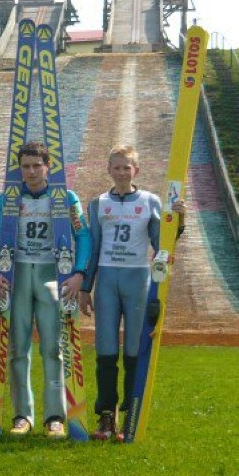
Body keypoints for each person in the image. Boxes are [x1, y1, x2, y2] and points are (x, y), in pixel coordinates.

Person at [78, 145, 185, 441]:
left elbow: (162, 243)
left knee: (135, 351)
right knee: (106, 349)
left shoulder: (150, 201)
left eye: (128, 167)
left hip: (138, 278)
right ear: (109, 170)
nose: (122, 172)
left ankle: (130, 414)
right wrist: (86, 287)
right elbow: (94, 247)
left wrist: (179, 220)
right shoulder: (98, 203)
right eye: (117, 167)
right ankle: (106, 416)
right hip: (107, 279)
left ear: (136, 170)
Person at [0, 141, 91, 439]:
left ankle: (55, 417)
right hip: (17, 275)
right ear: (20, 169)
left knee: (52, 349)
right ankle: (22, 415)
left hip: (51, 275)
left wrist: (79, 273)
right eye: (26, 166)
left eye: (37, 165)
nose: (31, 171)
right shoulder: (8, 198)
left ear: (48, 166)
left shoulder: (65, 197)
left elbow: (83, 235)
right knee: (17, 348)